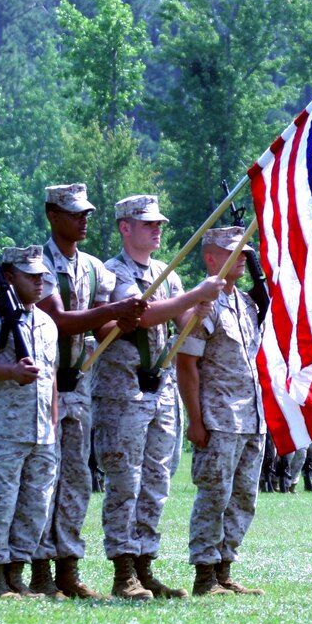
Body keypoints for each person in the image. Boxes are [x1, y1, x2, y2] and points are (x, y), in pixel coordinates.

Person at [91, 194, 223, 601]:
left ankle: (146, 566)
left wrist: (199, 307)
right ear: (124, 227)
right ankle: (123, 571)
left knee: (156, 483)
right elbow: (139, 316)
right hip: (122, 393)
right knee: (125, 481)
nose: (157, 228)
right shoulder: (111, 273)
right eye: (147, 222)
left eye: (159, 222)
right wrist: (188, 299)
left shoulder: (170, 276)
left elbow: (182, 320)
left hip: (160, 391)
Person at [32, 183, 146, 601]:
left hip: (79, 390)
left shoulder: (96, 268)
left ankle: (68, 569)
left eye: (86, 213)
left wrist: (126, 321)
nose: (82, 219)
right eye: (74, 212)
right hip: (45, 387)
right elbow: (58, 320)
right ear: (52, 214)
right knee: (45, 479)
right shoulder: (37, 263)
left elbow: (99, 329)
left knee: (76, 482)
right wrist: (113, 311)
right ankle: (40, 571)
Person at [0, 245, 59, 599]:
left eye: (41, 275)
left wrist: (52, 426)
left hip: (41, 435)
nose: (39, 281)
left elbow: (51, 380)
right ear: (8, 276)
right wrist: (10, 372)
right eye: (30, 275)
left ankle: (16, 576)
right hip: (1, 433)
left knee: (33, 510)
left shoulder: (46, 323)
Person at [177, 226, 265, 596]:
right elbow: (186, 363)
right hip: (219, 418)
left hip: (250, 418)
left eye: (245, 251)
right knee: (215, 495)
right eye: (234, 251)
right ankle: (204, 575)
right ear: (211, 257)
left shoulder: (245, 303)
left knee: (244, 497)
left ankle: (225, 569)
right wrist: (196, 421)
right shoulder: (204, 305)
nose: (243, 257)